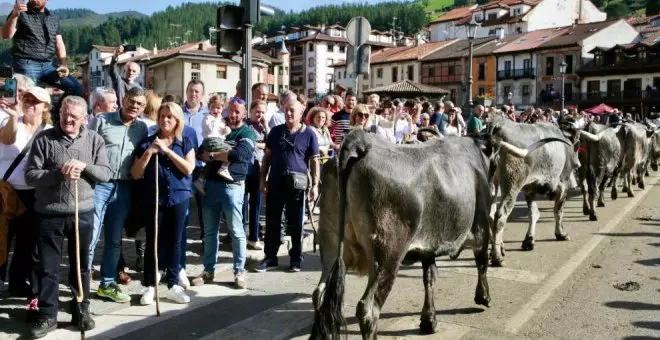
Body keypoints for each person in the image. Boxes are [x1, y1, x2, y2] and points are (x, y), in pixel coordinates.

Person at [25, 95, 111, 338]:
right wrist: (58, 175)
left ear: (85, 118)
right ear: (58, 113)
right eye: (64, 114)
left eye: (74, 116)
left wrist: (84, 167)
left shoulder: (94, 140)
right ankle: (48, 314)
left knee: (81, 266)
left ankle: (81, 309)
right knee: (48, 268)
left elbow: (105, 173)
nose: (68, 119)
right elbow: (31, 175)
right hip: (49, 214)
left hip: (82, 213)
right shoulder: (44, 139)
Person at [131, 102, 196, 305]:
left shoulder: (184, 141)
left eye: (170, 116)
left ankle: (173, 283)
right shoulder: (146, 142)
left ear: (177, 120)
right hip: (155, 199)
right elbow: (135, 173)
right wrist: (150, 152)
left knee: (176, 240)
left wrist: (167, 152)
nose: (165, 120)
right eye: (162, 116)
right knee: (154, 241)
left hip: (179, 197)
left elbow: (189, 168)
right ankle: (150, 285)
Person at [89, 87, 148, 302]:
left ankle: (107, 283)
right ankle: (82, 281)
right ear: (124, 100)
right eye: (132, 101)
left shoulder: (142, 128)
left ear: (143, 108)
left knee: (115, 240)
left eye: (140, 104)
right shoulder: (102, 120)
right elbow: (87, 147)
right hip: (100, 185)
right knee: (91, 237)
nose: (134, 106)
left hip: (124, 188)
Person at [0, 86, 52, 317]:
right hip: (6, 192)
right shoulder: (11, 124)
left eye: (36, 100)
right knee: (1, 240)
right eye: (27, 98)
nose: (30, 103)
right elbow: (7, 139)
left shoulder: (49, 131)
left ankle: (20, 283)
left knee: (29, 244)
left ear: (46, 107)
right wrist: (12, 116)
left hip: (35, 194)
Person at [194, 98, 255, 288]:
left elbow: (239, 155)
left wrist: (213, 156)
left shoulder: (247, 132)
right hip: (210, 185)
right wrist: (220, 153)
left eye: (238, 111)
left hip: (233, 187)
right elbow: (200, 152)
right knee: (210, 232)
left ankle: (239, 271)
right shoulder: (218, 125)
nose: (234, 114)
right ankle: (208, 270)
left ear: (244, 113)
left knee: (236, 231)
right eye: (231, 111)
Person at [256, 100, 320, 273]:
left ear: (301, 113)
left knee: (296, 225)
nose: (289, 113)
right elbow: (267, 158)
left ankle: (296, 258)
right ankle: (270, 258)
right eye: (286, 110)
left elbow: (314, 161)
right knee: (273, 223)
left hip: (297, 187)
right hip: (276, 183)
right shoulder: (276, 132)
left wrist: (315, 185)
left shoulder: (309, 134)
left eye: (292, 110)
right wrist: (263, 179)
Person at [2, 0, 83, 99]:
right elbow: (6, 35)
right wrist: (14, 16)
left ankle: (58, 113)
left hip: (48, 65)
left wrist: (63, 64)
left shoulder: (53, 18)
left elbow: (59, 42)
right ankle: (11, 111)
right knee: (22, 94)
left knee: (77, 88)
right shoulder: (20, 12)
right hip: (25, 63)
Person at [242, 100, 269, 251]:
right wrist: (261, 144)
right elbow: (248, 143)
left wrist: (265, 126)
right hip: (246, 169)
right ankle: (240, 237)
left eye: (263, 112)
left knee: (256, 205)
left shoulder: (264, 128)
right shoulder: (246, 126)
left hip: (260, 170)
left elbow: (271, 143)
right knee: (242, 205)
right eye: (257, 111)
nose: (260, 115)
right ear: (250, 112)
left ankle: (254, 237)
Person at [193, 95, 233, 195]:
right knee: (231, 151)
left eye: (218, 108)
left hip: (217, 141)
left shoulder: (222, 119)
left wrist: (226, 130)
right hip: (211, 141)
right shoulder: (208, 117)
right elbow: (210, 129)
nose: (215, 110)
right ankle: (224, 168)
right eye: (213, 107)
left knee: (211, 162)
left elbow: (221, 132)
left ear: (222, 109)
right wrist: (216, 119)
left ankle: (200, 180)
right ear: (209, 107)